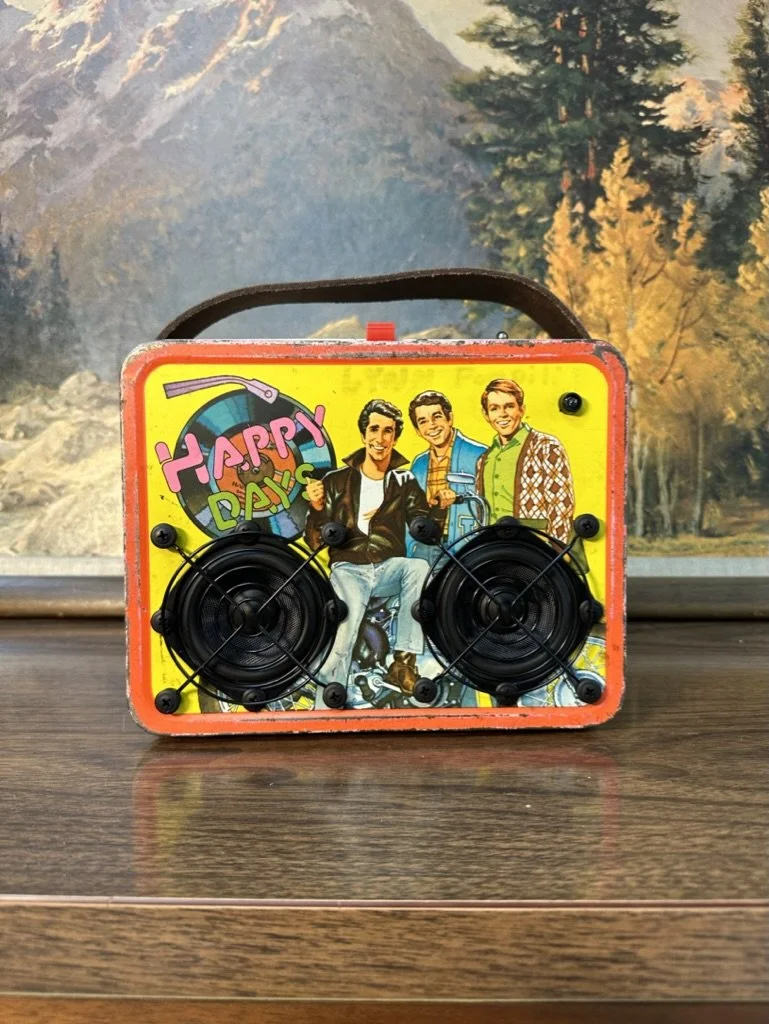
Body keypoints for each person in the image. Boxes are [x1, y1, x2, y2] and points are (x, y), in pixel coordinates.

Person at [305, 398, 434, 695]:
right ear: (363, 435)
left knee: (418, 566)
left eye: (388, 431)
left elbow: (423, 524)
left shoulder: (404, 480)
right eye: (374, 429)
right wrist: (316, 507)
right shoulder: (336, 481)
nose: (380, 438)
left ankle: (402, 663)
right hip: (349, 568)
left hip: (388, 567)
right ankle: (329, 691)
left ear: (395, 437)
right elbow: (314, 541)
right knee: (345, 627)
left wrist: (437, 508)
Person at [476, 378, 575, 544]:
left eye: (509, 406)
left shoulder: (546, 446)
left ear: (521, 409)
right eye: (494, 408)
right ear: (486, 415)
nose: (502, 414)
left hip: (535, 545)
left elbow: (561, 505)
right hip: (493, 547)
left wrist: (556, 551)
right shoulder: (485, 458)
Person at [406, 390, 487, 562]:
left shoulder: (480, 454)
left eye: (437, 417)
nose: (432, 426)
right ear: (418, 430)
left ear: (449, 418)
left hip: (463, 547)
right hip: (423, 546)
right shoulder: (419, 464)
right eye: (423, 421)